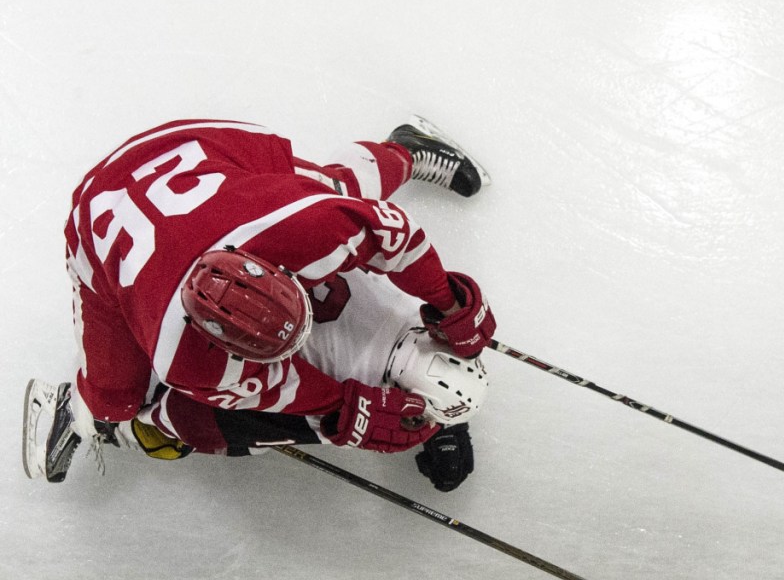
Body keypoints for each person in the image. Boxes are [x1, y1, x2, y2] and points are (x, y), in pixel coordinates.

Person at [22, 116, 496, 491]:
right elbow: (283, 387)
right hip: (95, 231)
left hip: (194, 152)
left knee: (337, 190)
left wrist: (448, 301)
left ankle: (406, 148)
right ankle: (69, 407)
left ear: (276, 270)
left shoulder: (296, 228)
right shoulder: (185, 361)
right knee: (112, 403)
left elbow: (391, 233)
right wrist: (345, 408)